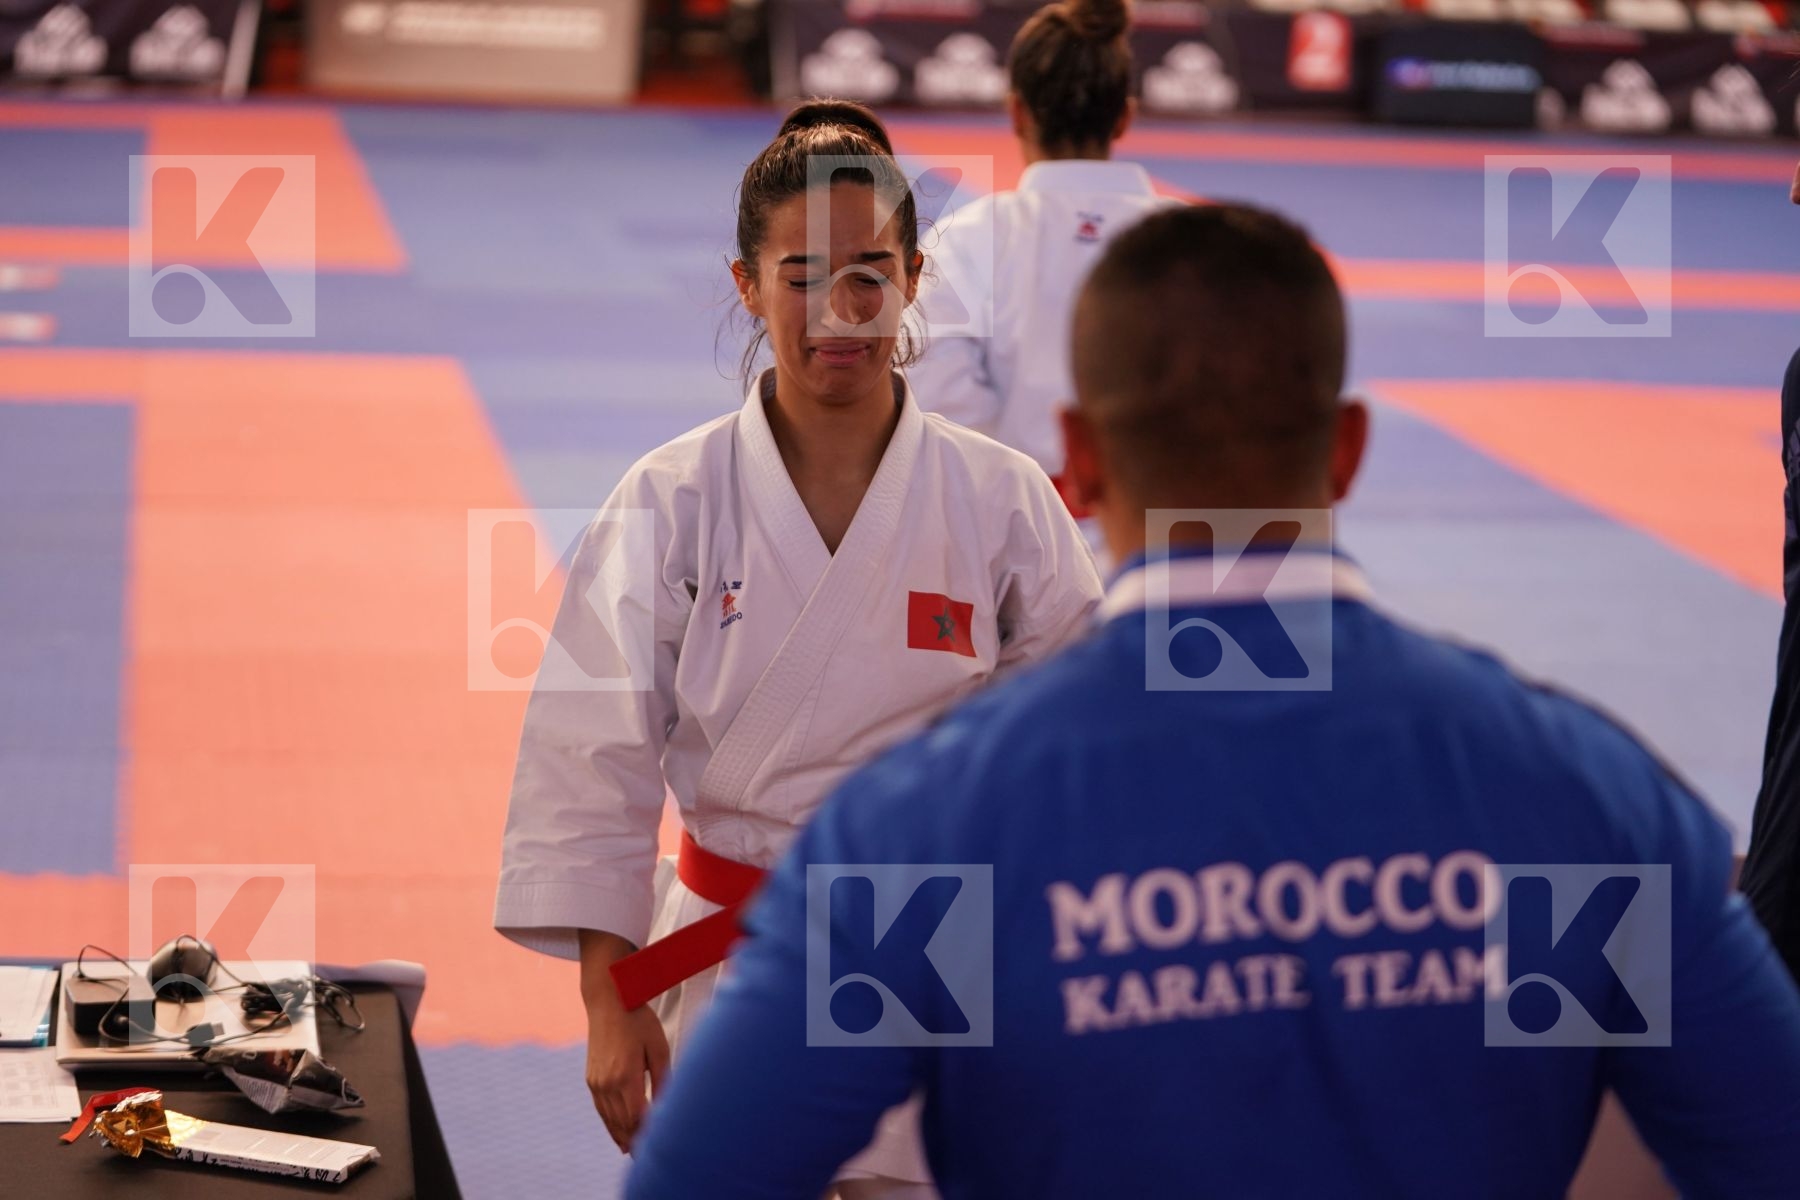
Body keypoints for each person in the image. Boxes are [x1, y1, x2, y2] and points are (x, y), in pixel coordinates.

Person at [624, 204, 1800, 1199]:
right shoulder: (1580, 799)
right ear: (1346, 451)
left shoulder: (918, 836)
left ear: (1075, 464)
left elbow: (705, 1177)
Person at [492, 99, 1102, 1199]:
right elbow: (593, 757)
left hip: (937, 962)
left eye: (871, 271)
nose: (842, 311)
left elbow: (1071, 754)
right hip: (732, 959)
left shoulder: (1002, 498)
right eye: (802, 276)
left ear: (916, 276)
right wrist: (606, 999)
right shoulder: (671, 499)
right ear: (747, 284)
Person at [907, 0, 1178, 504]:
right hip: (1163, 535)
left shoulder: (962, 242)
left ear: (1016, 112)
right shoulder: (1199, 244)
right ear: (1125, 116)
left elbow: (938, 411)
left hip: (1009, 534)